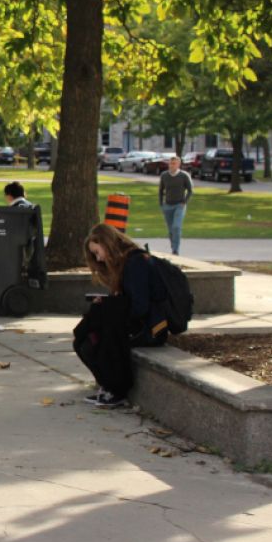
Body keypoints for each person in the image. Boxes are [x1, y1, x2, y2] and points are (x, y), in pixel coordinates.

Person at [74, 223, 171, 408]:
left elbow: (140, 307)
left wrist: (112, 308)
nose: (98, 258)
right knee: (83, 337)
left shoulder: (136, 263)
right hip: (135, 323)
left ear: (107, 244)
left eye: (97, 252)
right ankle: (108, 385)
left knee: (95, 340)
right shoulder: (125, 264)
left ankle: (116, 389)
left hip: (150, 328)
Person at [158, 156, 192, 256]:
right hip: (167, 205)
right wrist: (161, 204)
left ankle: (176, 250)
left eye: (174, 163)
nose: (172, 165)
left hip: (179, 205)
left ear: (178, 165)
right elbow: (161, 190)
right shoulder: (164, 175)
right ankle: (173, 247)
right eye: (170, 163)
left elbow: (190, 190)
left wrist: (184, 202)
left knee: (176, 227)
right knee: (171, 230)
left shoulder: (184, 175)